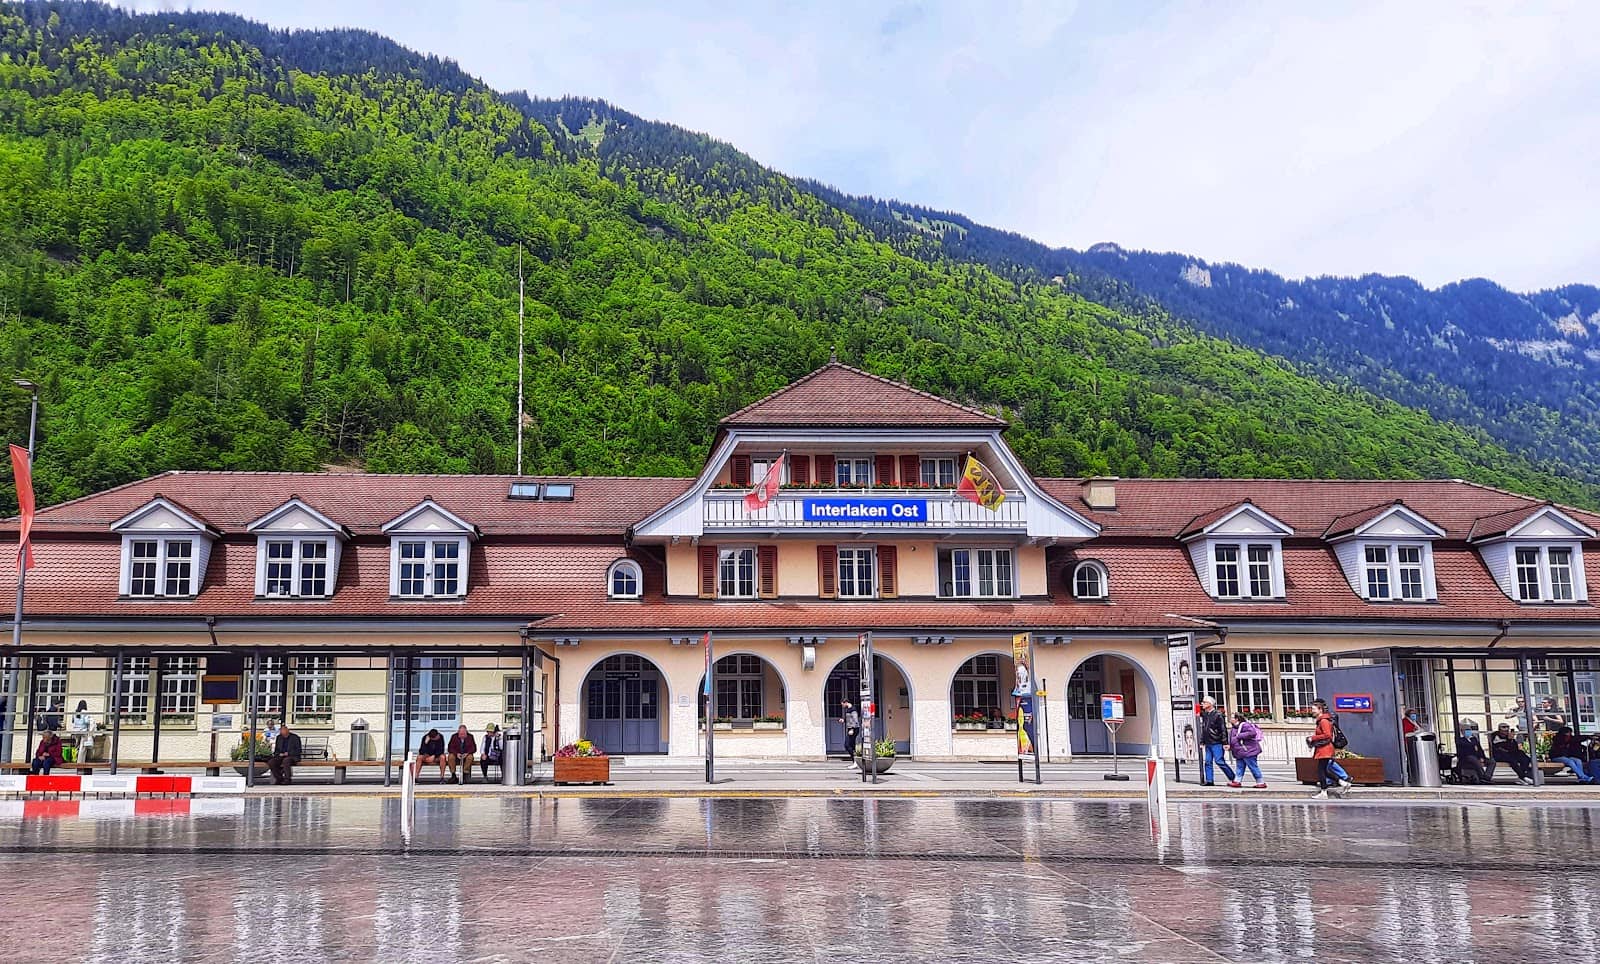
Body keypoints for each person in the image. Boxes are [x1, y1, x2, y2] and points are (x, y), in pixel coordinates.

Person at [1197, 698, 1236, 787]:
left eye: (1204, 702)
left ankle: (1233, 777)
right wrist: (1202, 741)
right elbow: (1204, 729)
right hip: (1208, 742)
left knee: (1219, 761)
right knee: (1207, 761)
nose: (1202, 704)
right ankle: (1209, 780)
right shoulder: (1206, 715)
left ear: (1210, 704)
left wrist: (1225, 742)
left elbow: (1223, 729)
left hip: (1216, 741)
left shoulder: (1218, 714)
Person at [1307, 699, 1339, 799]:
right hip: (1323, 748)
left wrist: (1313, 738)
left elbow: (1327, 735)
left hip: (1324, 748)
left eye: (1313, 709)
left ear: (1320, 709)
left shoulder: (1324, 721)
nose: (1312, 711)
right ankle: (1342, 781)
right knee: (1323, 770)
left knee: (1321, 770)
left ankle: (1324, 791)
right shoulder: (1322, 720)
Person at [1227, 711, 1266, 788]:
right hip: (1240, 752)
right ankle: (1237, 781)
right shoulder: (1234, 727)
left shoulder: (1244, 725)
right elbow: (1232, 739)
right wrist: (1230, 746)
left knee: (1252, 766)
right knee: (1239, 767)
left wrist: (1239, 736)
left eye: (1232, 717)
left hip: (1248, 750)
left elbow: (1252, 733)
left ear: (1237, 719)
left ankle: (1260, 782)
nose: (1230, 719)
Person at [841, 700, 861, 765]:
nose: (843, 706)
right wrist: (843, 720)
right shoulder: (848, 709)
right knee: (852, 745)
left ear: (846, 702)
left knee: (847, 745)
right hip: (850, 729)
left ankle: (855, 761)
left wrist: (852, 729)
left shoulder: (853, 709)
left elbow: (855, 720)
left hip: (854, 729)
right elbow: (849, 720)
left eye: (843, 704)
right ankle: (855, 762)